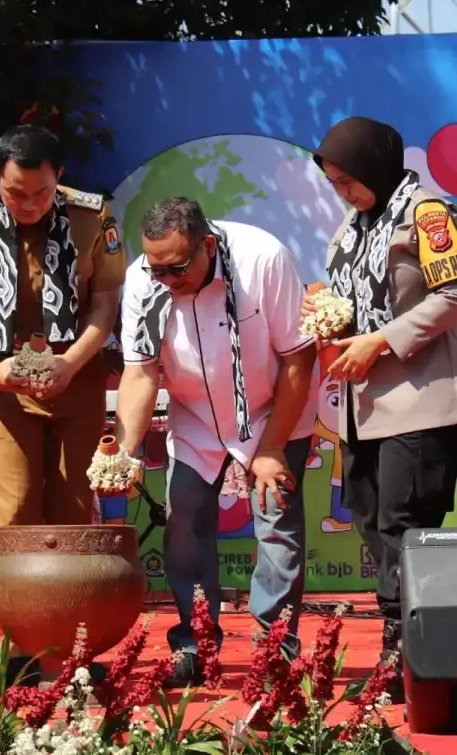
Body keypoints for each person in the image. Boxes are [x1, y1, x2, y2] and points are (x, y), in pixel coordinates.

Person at [0, 124, 125, 682]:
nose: (30, 204)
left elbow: (105, 303)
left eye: (42, 193)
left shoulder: (93, 217)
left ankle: (71, 652)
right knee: (15, 514)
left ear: (59, 178)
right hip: (3, 388)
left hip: (78, 378)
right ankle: (21, 645)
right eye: (17, 193)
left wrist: (71, 363)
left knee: (73, 513)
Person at [306, 116, 457, 699]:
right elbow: (356, 297)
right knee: (367, 514)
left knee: (404, 524)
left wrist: (380, 340)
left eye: (348, 180)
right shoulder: (356, 226)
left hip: (421, 399)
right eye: (334, 183)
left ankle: (404, 655)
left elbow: (456, 295)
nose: (343, 192)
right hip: (366, 404)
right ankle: (405, 639)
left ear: (376, 165)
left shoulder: (427, 213)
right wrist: (327, 311)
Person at [113, 197, 316, 687]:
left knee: (276, 528)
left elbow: (297, 359)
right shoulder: (144, 277)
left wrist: (269, 448)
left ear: (208, 245)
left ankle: (275, 653)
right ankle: (194, 645)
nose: (166, 279)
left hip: (272, 410)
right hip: (196, 415)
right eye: (156, 268)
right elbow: (140, 373)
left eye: (177, 267)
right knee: (183, 522)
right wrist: (124, 451)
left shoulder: (262, 258)